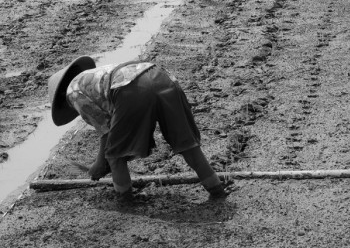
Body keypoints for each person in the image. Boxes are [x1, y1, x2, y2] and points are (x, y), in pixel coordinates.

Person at [48, 56, 233, 200]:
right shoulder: (93, 76)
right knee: (187, 144)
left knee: (115, 156)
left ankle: (124, 200)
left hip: (132, 89)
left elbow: (106, 132)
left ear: (62, 103)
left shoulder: (73, 92)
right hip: (162, 76)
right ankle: (216, 189)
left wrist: (99, 164)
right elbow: (118, 125)